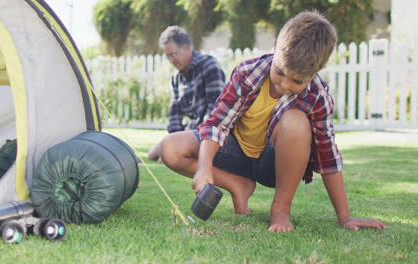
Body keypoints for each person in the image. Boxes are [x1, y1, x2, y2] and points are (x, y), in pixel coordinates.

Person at [160, 11, 388, 233]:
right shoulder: (247, 73)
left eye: (297, 81)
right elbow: (217, 124)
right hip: (234, 152)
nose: (284, 85)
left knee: (296, 121)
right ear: (276, 44)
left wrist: (345, 217)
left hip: (273, 165)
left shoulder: (317, 97)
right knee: (170, 148)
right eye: (279, 72)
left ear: (318, 70)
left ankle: (280, 208)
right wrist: (204, 166)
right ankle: (238, 185)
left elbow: (327, 157)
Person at [147, 26, 225, 161]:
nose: (171, 60)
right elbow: (174, 116)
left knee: (164, 155)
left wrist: (186, 140)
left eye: (173, 54)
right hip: (189, 133)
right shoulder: (176, 78)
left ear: (186, 48)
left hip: (209, 135)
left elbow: (215, 110)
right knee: (153, 154)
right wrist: (175, 142)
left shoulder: (209, 65)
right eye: (168, 57)